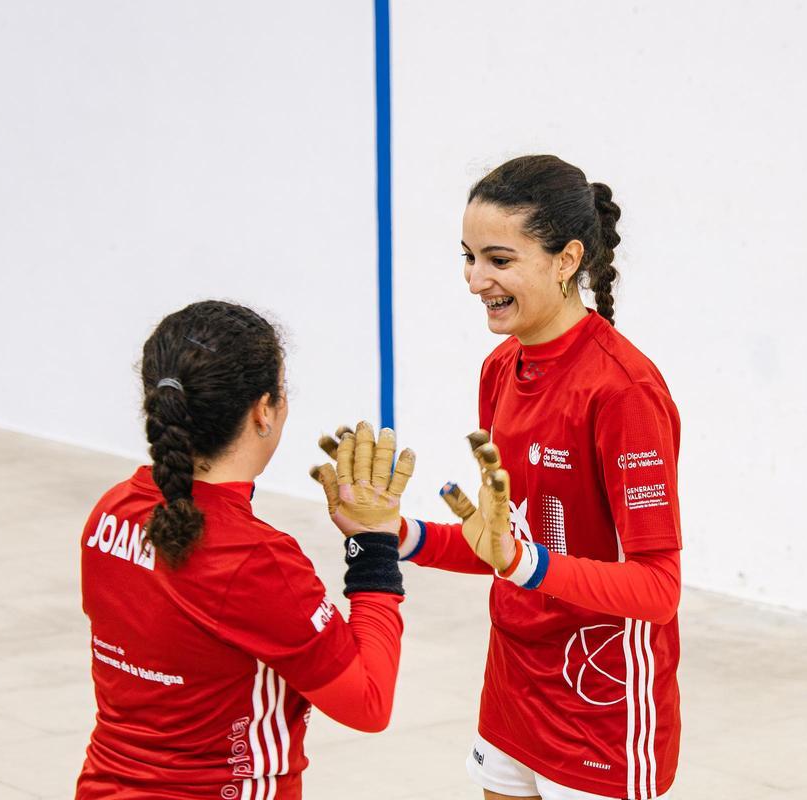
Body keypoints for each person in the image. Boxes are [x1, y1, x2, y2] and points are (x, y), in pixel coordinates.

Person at [318, 155, 682, 800]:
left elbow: (657, 591)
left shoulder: (624, 392)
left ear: (566, 260)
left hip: (602, 709)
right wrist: (391, 533)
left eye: (499, 260)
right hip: (513, 689)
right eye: (468, 257)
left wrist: (522, 564)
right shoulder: (498, 371)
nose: (474, 279)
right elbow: (502, 543)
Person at [77, 300, 416, 800]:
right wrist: (374, 547)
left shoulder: (110, 512)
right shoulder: (255, 561)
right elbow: (368, 703)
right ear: (263, 411)